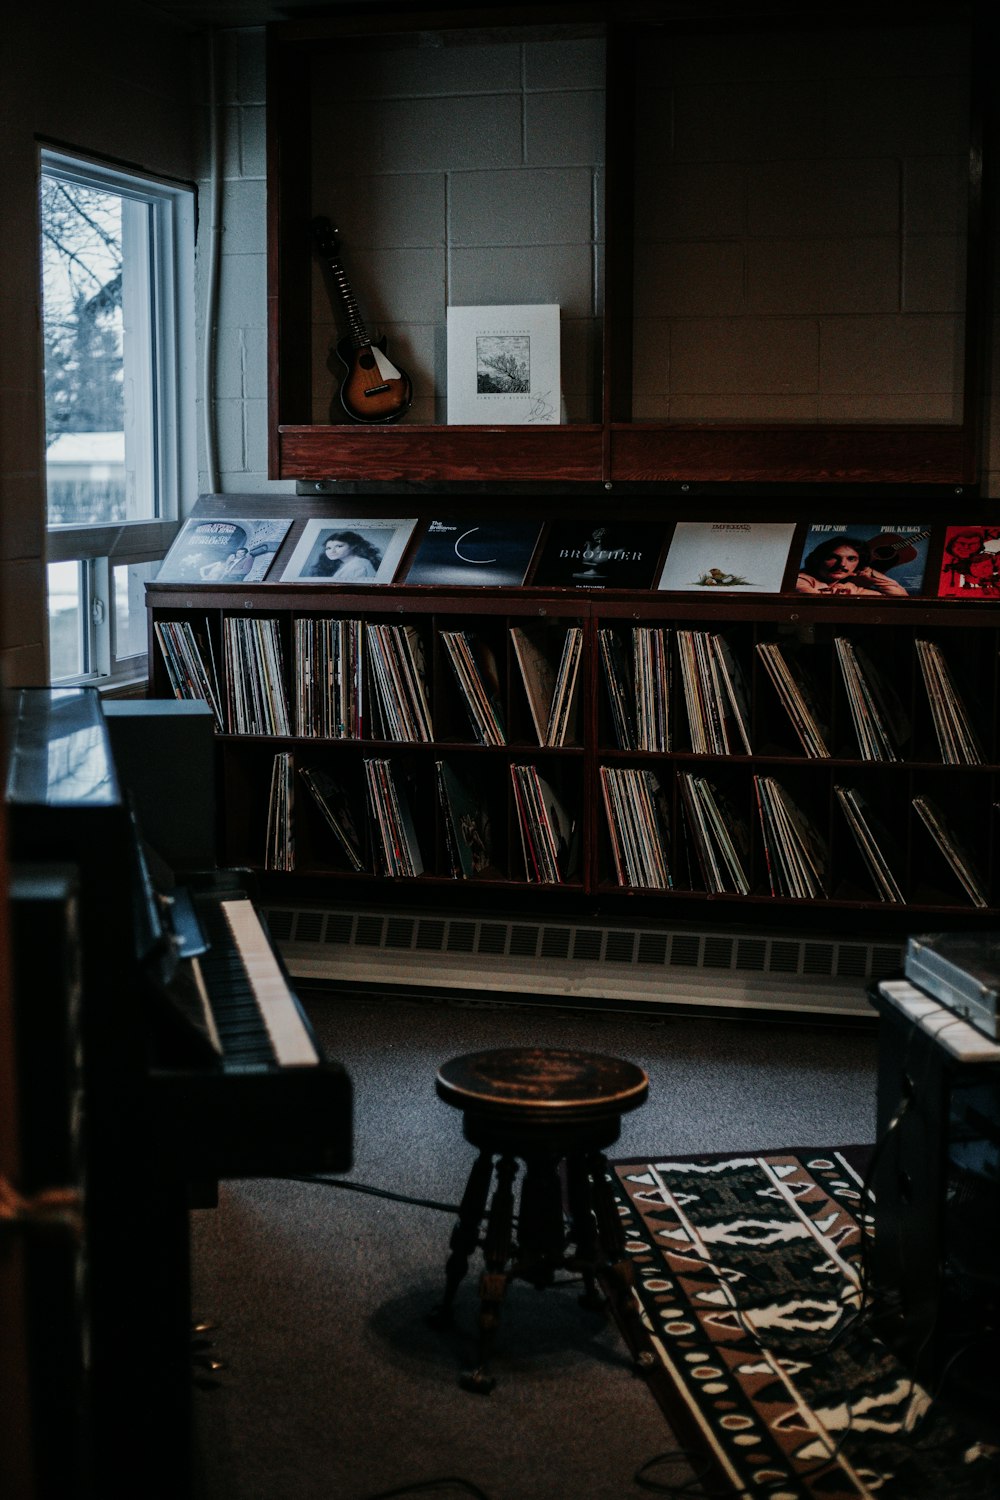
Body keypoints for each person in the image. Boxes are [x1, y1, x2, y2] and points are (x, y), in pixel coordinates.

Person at [796, 536, 908, 596]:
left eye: (851, 559)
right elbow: (814, 602)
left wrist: (871, 574)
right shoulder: (801, 580)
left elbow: (901, 598)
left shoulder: (850, 588)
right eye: (833, 557)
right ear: (817, 559)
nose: (842, 564)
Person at [309, 530, 382, 580]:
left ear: (353, 546)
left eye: (339, 546)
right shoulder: (344, 563)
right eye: (328, 548)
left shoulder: (358, 566)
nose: (332, 551)